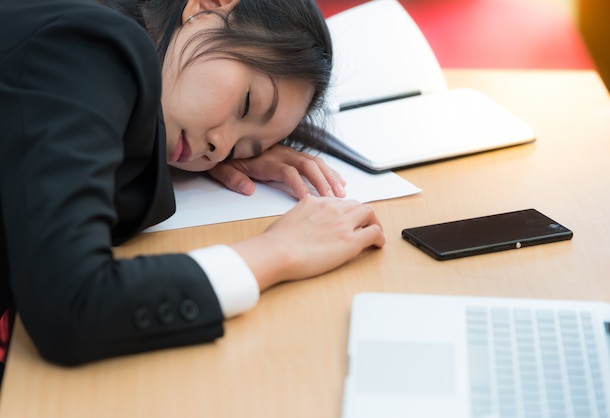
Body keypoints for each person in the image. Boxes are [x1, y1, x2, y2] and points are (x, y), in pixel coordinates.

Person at [0, 0, 386, 374]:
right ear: (205, 7)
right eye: (247, 104)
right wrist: (278, 250)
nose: (219, 149)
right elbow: (70, 303)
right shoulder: (95, 45)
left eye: (242, 146)